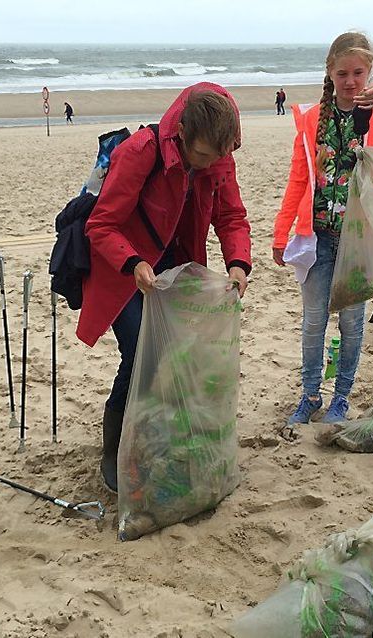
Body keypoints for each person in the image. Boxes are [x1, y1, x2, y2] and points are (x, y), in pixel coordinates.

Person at [76, 82, 252, 492]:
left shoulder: (220, 155)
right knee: (140, 353)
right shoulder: (141, 151)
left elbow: (231, 216)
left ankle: (157, 436)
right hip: (123, 270)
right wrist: (133, 261)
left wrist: (239, 263)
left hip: (176, 268)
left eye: (219, 156)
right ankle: (115, 447)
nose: (212, 164)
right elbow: (100, 226)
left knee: (176, 356)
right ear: (183, 134)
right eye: (203, 155)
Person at [272, 33, 373, 430]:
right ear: (330, 72)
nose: (351, 80)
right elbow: (299, 179)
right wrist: (279, 231)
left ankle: (341, 397)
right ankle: (309, 394)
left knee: (352, 322)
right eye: (343, 73)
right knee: (313, 321)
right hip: (318, 235)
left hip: (361, 237)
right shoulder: (310, 118)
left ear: (370, 71)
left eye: (359, 72)